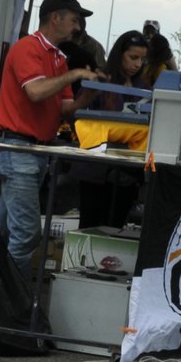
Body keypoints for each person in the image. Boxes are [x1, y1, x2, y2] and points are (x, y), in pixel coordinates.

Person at [0, 0, 98, 276]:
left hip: (30, 153)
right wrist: (75, 76)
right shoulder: (28, 48)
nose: (78, 28)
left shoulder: (57, 58)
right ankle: (10, 301)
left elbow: (66, 109)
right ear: (55, 18)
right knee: (26, 235)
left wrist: (91, 91)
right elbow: (36, 92)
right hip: (18, 151)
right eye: (75, 20)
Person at [72, 30, 151, 228]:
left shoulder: (145, 86)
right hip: (95, 168)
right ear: (119, 54)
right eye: (133, 57)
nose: (137, 64)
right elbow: (78, 116)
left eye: (142, 59)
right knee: (89, 226)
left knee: (115, 228)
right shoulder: (100, 80)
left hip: (128, 172)